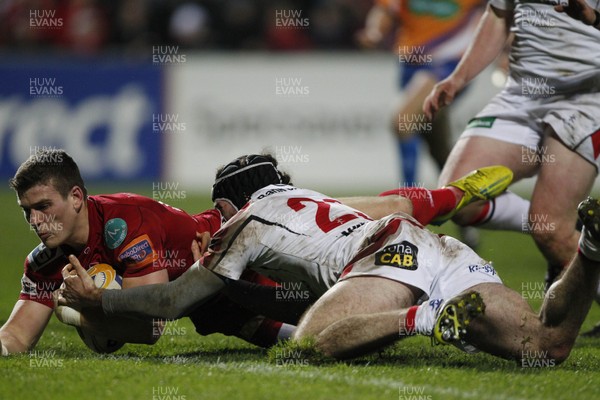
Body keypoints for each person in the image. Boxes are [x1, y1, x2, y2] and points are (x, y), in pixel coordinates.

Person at [54, 154, 512, 351]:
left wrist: (84, 308)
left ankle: (467, 211)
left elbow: (160, 316)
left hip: (280, 279)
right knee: (305, 327)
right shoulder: (269, 217)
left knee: (314, 337)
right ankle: (466, 206)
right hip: (365, 256)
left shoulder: (234, 226)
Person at [0, 149, 288, 355]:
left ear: (76, 197)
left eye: (43, 207)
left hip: (244, 254)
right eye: (27, 211)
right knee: (301, 341)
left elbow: (150, 329)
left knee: (317, 327)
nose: (35, 221)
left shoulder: (125, 224)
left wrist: (79, 311)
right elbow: (15, 336)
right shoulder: (44, 263)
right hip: (217, 307)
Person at [422, 0, 600, 291]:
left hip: (586, 99)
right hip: (521, 95)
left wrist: (595, 19)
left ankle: (558, 227)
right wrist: (458, 78)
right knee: (458, 200)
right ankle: (563, 226)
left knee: (552, 231)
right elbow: (497, 16)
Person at [292, 197, 600, 362]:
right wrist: (452, 194)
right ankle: (590, 246)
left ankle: (427, 316)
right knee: (546, 347)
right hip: (446, 250)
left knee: (307, 345)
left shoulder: (254, 216)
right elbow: (400, 203)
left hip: (393, 251)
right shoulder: (313, 201)